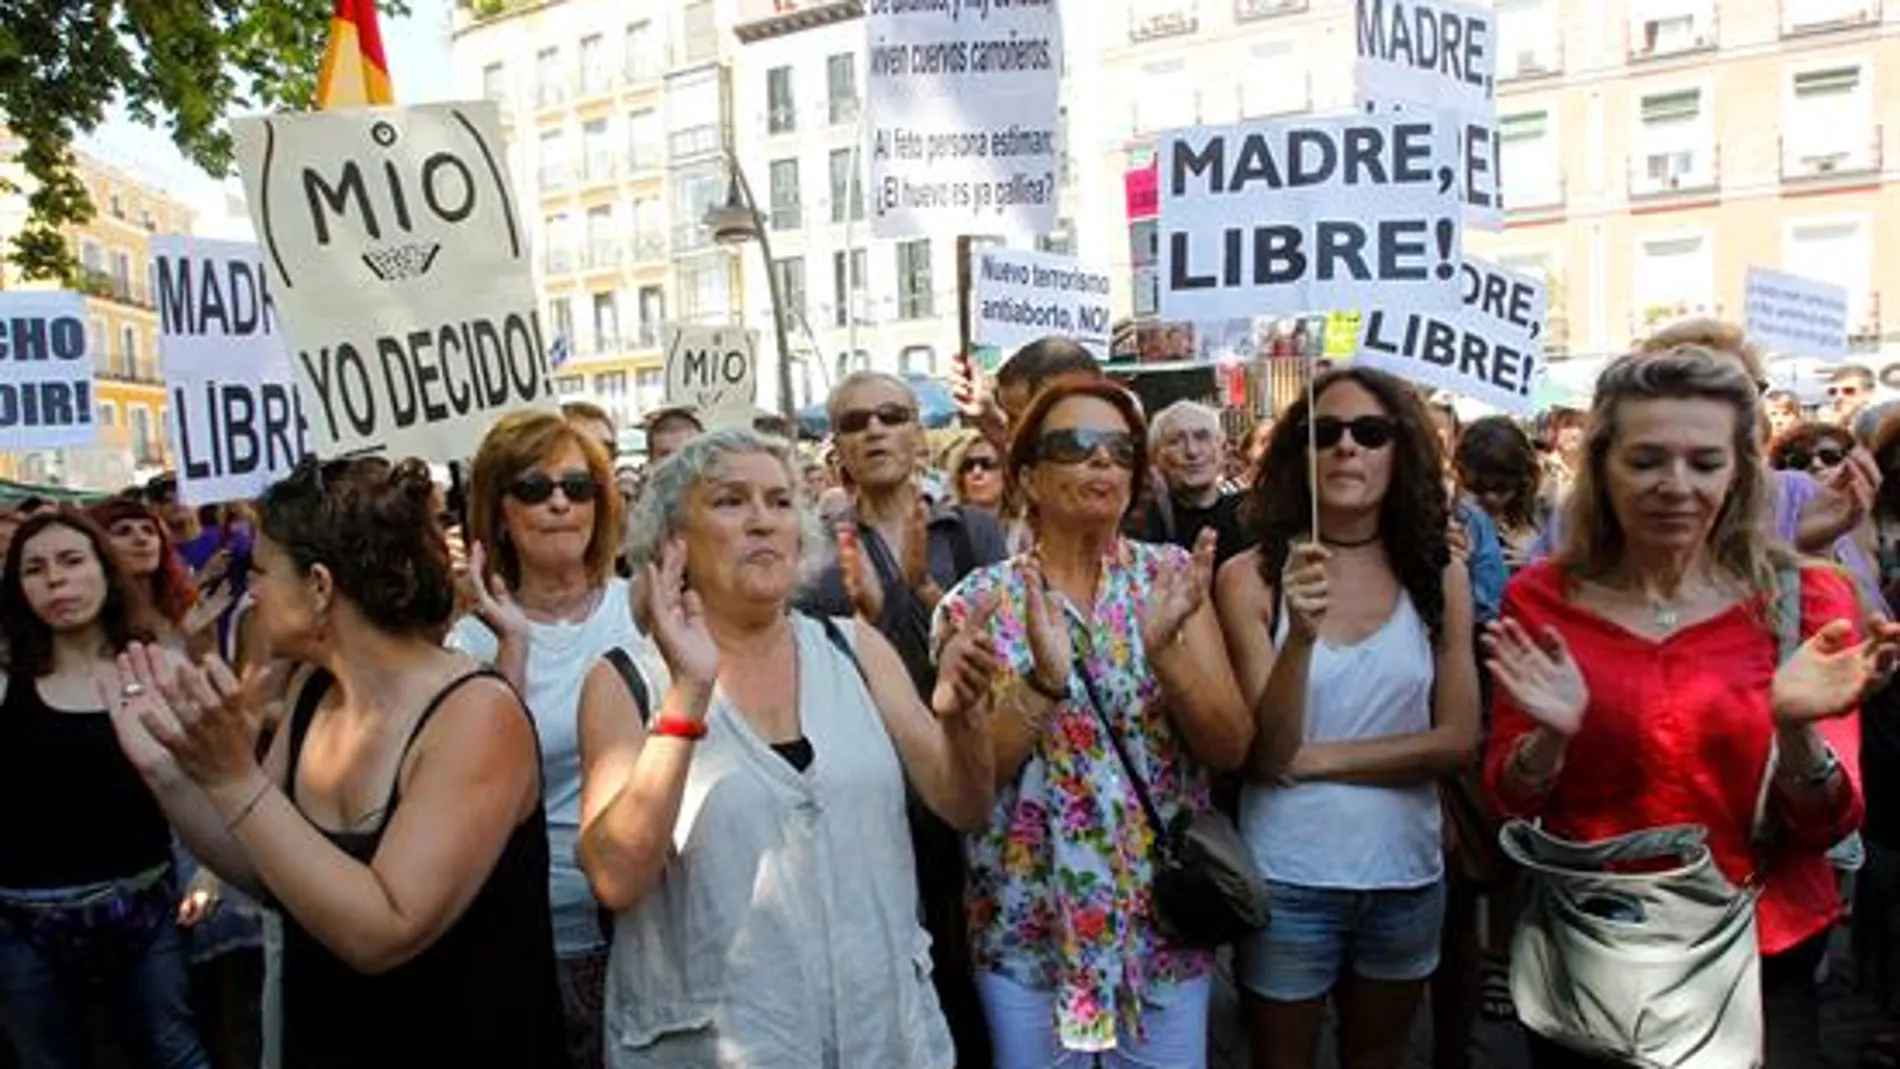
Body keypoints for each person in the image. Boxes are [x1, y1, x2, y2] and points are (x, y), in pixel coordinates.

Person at [1484, 349, 1890, 1068]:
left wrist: (1795, 731)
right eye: (1646, 461)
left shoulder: (1805, 599)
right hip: (1597, 948)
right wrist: (1548, 741)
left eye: (1704, 462)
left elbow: (1829, 822)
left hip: (1762, 949)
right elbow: (1509, 800)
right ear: (1602, 466)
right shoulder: (1541, 598)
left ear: (1739, 472)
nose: (1675, 486)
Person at [106, 456, 567, 1068]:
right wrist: (168, 774)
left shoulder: (475, 714)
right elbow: (270, 870)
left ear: (320, 586)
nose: (251, 592)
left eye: (259, 571)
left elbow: (383, 931)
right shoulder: (312, 690)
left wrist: (235, 777)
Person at [578, 428, 996, 1067]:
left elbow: (964, 804)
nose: (762, 521)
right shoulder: (627, 680)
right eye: (730, 501)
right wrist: (688, 697)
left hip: (884, 1039)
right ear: (672, 541)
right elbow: (616, 878)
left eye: (779, 502)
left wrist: (962, 719)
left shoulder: (856, 650)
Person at [935, 376, 1251, 1066]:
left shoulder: (1172, 579)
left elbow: (1230, 746)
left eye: (1120, 448)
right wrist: (1042, 686)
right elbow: (971, 787)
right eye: (1076, 445)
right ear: (1028, 476)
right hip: (1029, 929)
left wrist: (1167, 654)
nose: (1103, 459)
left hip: (1160, 925)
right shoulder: (978, 602)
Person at [1214, 368, 1480, 1069]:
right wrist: (1299, 639)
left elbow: (1458, 739)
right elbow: (1271, 752)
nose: (1346, 448)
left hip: (1404, 873)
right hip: (1289, 874)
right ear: (1296, 454)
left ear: (1401, 450)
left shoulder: (1438, 572)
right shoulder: (1251, 577)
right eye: (1323, 432)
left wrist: (1320, 760)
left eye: (1370, 432)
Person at [797, 372, 1009, 1068]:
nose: (876, 430)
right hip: (872, 798)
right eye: (856, 421)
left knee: (980, 984)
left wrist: (922, 592)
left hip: (973, 787)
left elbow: (1003, 655)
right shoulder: (814, 555)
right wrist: (869, 618)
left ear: (919, 432)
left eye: (891, 415)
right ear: (838, 447)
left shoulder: (973, 530)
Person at [453, 410, 647, 1069]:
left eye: (578, 486)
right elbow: (483, 790)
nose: (561, 502)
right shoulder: (469, 643)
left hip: (651, 918)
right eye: (535, 488)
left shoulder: (645, 610)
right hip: (536, 932)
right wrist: (511, 645)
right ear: (500, 514)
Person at [0, 510, 212, 1069]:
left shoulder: (160, 668)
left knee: (174, 1050)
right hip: (25, 921)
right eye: (34, 569)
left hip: (146, 907)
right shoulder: (6, 679)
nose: (56, 580)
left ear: (104, 570)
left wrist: (209, 874)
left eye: (71, 561)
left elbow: (211, 782)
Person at [1144, 401, 1250, 567]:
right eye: (1176, 441)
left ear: (1222, 449)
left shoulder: (1250, 515)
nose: (1192, 451)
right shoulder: (1142, 527)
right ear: (1155, 457)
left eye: (1202, 437)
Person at [939, 430, 1005, 513]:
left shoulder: (1019, 519)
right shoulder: (947, 518)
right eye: (969, 465)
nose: (976, 472)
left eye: (986, 464)